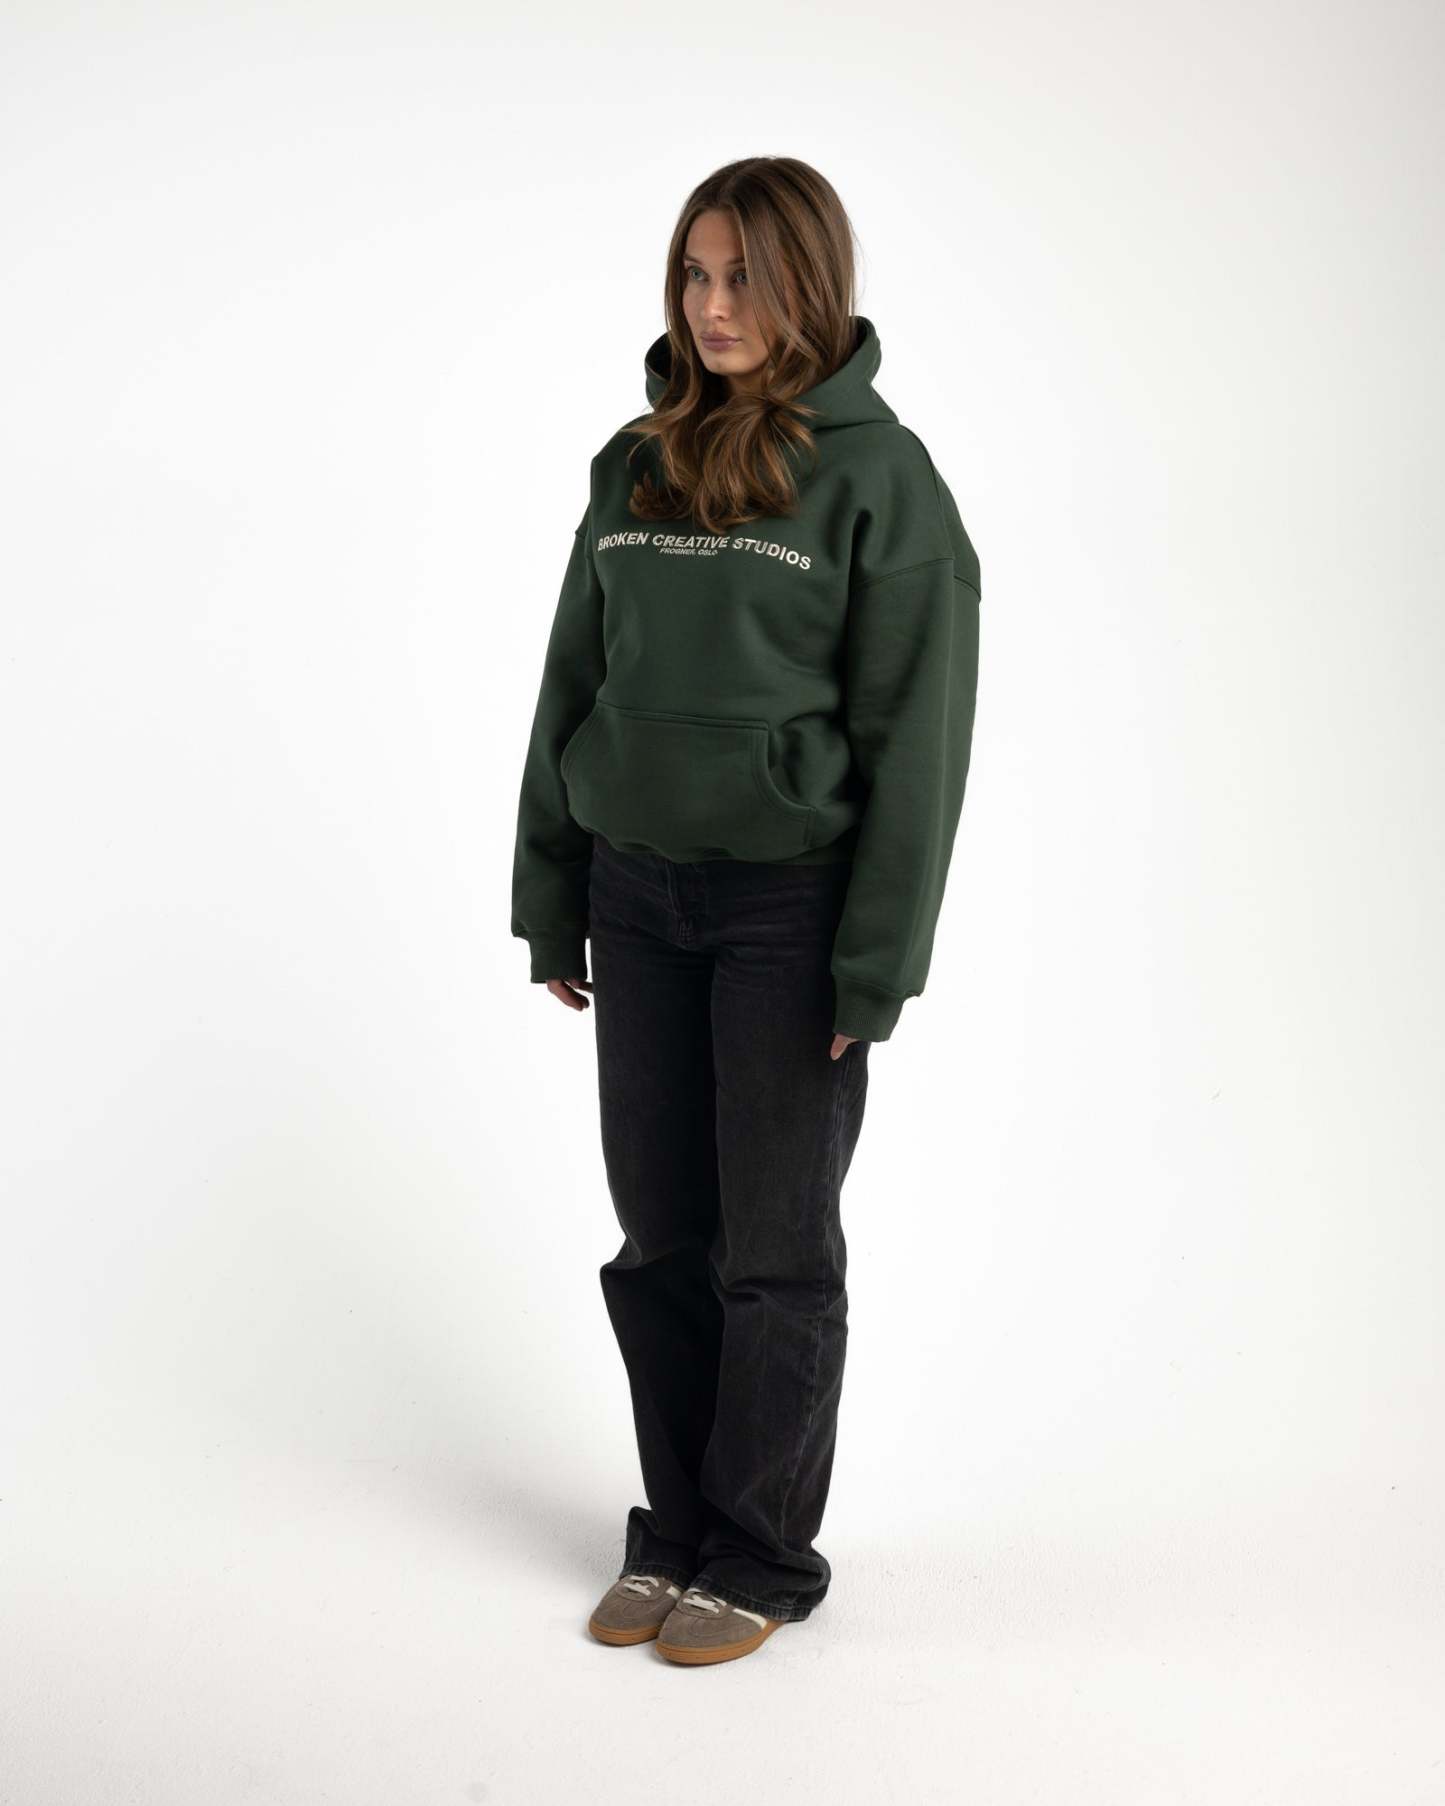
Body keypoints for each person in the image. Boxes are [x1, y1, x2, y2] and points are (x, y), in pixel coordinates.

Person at [509, 156, 982, 1667]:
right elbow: (571, 685)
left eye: (747, 281)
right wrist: (551, 897)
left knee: (773, 1253)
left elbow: (919, 742)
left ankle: (762, 1555)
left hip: (790, 914)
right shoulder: (632, 465)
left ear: (810, 287)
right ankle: (676, 1529)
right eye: (695, 275)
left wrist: (875, 965)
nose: (713, 308)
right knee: (660, 1238)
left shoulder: (882, 484)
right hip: (635, 897)